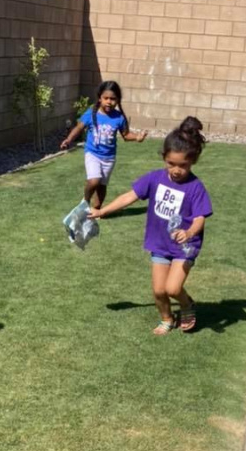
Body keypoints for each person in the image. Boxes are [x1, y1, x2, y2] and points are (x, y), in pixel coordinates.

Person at [89, 117, 212, 335]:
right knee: (158, 290)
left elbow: (200, 218)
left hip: (185, 246)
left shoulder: (195, 187)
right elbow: (129, 196)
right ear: (164, 157)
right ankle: (167, 318)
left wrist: (189, 231)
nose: (176, 170)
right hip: (159, 244)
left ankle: (187, 305)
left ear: (193, 161)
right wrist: (102, 210)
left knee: (172, 288)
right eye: (171, 163)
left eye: (182, 165)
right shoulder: (154, 179)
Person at [60, 81, 147, 209]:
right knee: (94, 180)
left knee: (102, 185)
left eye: (113, 99)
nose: (109, 102)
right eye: (106, 98)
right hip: (92, 153)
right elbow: (79, 128)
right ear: (100, 98)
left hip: (109, 158)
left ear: (117, 100)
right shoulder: (91, 113)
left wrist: (137, 137)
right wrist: (68, 139)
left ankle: (96, 210)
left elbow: (126, 135)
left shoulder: (119, 118)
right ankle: (85, 201)